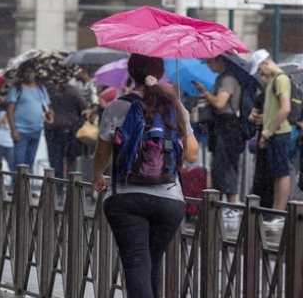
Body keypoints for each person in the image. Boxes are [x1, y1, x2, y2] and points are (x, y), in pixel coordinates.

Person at [91, 54, 198, 298]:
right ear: (160, 74)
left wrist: (97, 174)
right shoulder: (175, 106)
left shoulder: (117, 106)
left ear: (131, 72)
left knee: (137, 262)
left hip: (126, 198)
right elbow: (192, 154)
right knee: (152, 260)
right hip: (170, 200)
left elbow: (102, 153)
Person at [193, 55, 244, 213]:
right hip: (220, 127)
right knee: (219, 167)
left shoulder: (228, 79)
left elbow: (220, 103)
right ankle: (223, 205)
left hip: (228, 127)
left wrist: (205, 92)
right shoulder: (221, 79)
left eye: (210, 62)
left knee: (227, 166)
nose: (208, 65)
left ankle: (231, 207)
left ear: (219, 61)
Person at [249, 49, 292, 223]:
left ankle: (279, 213)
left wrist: (269, 130)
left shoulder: (281, 79)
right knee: (277, 173)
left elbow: (285, 108)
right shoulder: (275, 80)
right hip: (274, 132)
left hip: (279, 132)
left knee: (282, 173)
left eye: (260, 70)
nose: (261, 74)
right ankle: (276, 210)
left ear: (265, 63)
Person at [7, 62, 54, 174]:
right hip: (20, 131)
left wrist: (50, 114)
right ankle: (16, 189)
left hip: (36, 130)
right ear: (22, 73)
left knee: (30, 162)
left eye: (31, 71)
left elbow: (47, 107)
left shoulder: (41, 89)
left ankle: (27, 189)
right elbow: (10, 110)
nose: (29, 74)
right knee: (19, 162)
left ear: (35, 73)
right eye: (26, 71)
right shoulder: (17, 88)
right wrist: (13, 130)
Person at [43, 82, 86, 181]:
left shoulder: (47, 91)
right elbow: (82, 108)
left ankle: (58, 185)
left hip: (52, 128)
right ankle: (70, 183)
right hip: (70, 128)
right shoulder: (73, 90)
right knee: (70, 158)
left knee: (55, 159)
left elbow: (42, 108)